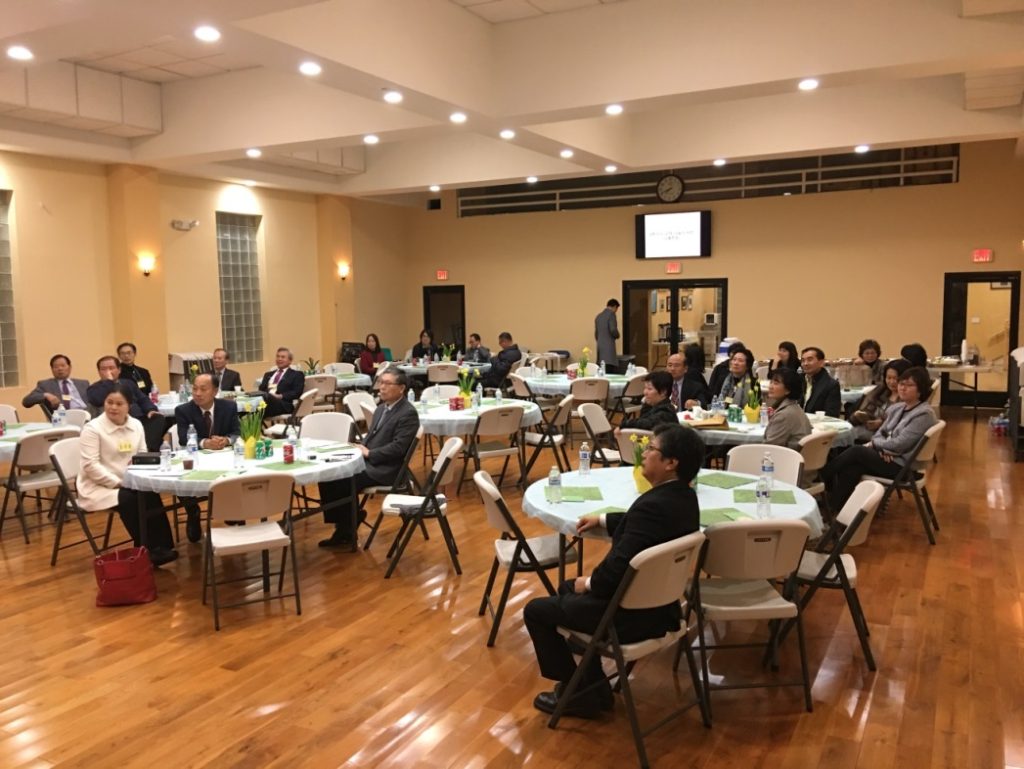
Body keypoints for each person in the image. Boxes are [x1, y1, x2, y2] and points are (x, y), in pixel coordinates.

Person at [524, 423, 703, 718]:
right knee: (566, 589)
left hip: (628, 617)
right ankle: (591, 687)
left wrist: (589, 583)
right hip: (663, 608)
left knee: (537, 610)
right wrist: (604, 519)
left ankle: (580, 694)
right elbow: (643, 525)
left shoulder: (652, 506)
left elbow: (616, 570)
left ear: (671, 463)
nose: (644, 453)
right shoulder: (684, 498)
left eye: (651, 448)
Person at [77, 381, 177, 566]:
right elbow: (90, 466)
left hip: (131, 480)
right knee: (130, 498)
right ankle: (145, 549)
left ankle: (162, 546)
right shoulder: (92, 429)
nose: (113, 407)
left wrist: (139, 473)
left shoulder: (136, 424)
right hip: (100, 485)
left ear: (129, 406)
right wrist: (119, 482)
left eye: (119, 403)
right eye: (109, 402)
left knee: (149, 492)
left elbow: (142, 454)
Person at [318, 369, 420, 548]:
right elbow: (371, 438)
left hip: (388, 469)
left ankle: (346, 529)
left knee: (342, 479)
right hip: (369, 461)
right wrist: (358, 446)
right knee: (328, 473)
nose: (382, 387)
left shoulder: (408, 413)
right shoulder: (381, 408)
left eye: (387, 383)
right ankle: (347, 522)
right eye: (381, 382)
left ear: (401, 388)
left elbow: (399, 448)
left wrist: (370, 453)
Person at [821, 366, 937, 511]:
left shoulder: (924, 414)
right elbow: (880, 433)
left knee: (856, 451)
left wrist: (877, 446)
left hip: (903, 467)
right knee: (854, 466)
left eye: (909, 385)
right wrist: (883, 448)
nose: (902, 388)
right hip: (889, 458)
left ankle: (821, 477)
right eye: (902, 384)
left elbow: (899, 444)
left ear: (921, 389)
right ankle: (834, 506)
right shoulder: (898, 408)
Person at [174, 373, 242, 543]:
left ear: (215, 391)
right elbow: (183, 438)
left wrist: (226, 440)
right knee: (179, 478)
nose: (197, 393)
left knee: (240, 473)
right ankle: (193, 512)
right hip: (196, 458)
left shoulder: (229, 407)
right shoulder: (183, 410)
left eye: (203, 389)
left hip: (223, 458)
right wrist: (205, 443)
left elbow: (237, 432)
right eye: (195, 389)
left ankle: (232, 509)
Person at [87, 355, 166, 451]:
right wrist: (109, 382)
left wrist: (151, 410)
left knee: (159, 418)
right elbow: (97, 399)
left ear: (119, 370)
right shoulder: (94, 388)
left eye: (111, 368)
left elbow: (143, 399)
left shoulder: (128, 383)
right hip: (117, 422)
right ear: (99, 372)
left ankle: (146, 449)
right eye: (104, 369)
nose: (108, 372)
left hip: (139, 418)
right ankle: (146, 451)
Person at [850, 359, 910, 443]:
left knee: (850, 434)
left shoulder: (908, 398)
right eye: (889, 378)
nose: (891, 382)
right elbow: (867, 410)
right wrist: (863, 417)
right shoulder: (880, 391)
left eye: (896, 378)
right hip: (868, 428)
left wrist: (881, 423)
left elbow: (904, 423)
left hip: (886, 436)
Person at [22, 354, 90, 415]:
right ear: (52, 369)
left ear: (70, 367)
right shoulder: (45, 385)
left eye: (63, 366)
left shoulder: (83, 383)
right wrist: (45, 395)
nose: (60, 369)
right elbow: (26, 402)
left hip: (86, 415)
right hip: (63, 417)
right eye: (56, 367)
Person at [763, 367, 812, 451]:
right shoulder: (794, 407)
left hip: (785, 457)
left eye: (776, 383)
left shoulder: (784, 415)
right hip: (797, 455)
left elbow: (769, 448)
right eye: (771, 382)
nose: (770, 386)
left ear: (788, 390)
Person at [258, 347, 306, 418]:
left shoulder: (296, 374)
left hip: (283, 404)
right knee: (248, 404)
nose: (279, 359)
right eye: (278, 356)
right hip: (266, 402)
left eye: (283, 357)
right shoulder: (268, 374)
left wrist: (280, 396)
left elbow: (297, 392)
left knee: (260, 404)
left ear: (290, 360)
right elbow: (261, 390)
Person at [800, 347, 841, 417]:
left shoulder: (831, 385)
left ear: (821, 363)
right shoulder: (797, 380)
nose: (805, 363)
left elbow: (832, 415)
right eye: (803, 360)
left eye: (810, 360)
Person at [594, 298, 620, 374]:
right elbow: (613, 329)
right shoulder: (611, 315)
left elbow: (596, 334)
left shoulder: (598, 316)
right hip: (609, 351)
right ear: (614, 307)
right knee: (610, 372)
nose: (616, 311)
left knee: (602, 372)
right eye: (616, 309)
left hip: (600, 349)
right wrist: (617, 335)